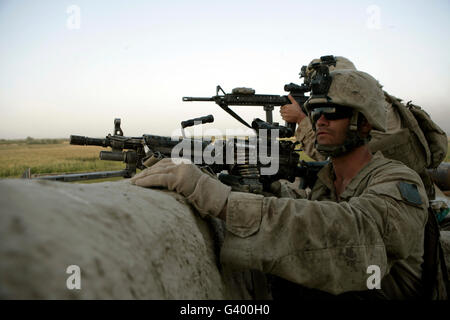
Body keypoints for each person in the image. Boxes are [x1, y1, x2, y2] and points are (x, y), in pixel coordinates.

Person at [130, 66, 445, 299]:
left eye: (331, 112)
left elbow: (351, 235)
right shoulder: (325, 182)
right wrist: (255, 186)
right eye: (315, 111)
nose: (319, 120)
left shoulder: (399, 180)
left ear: (364, 123)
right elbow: (307, 209)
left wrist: (222, 200)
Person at [280, 56, 448, 202]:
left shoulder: (367, 112)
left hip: (389, 193)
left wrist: (301, 120)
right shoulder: (380, 102)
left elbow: (327, 151)